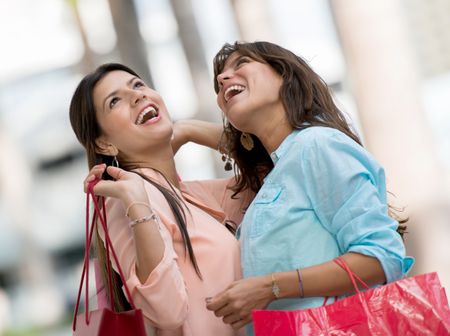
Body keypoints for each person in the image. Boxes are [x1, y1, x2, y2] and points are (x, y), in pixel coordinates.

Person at [202, 41, 414, 334]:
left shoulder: (317, 145)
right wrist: (185, 130)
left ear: (285, 76)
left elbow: (381, 256)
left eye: (241, 64)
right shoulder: (274, 178)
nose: (223, 79)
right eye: (219, 79)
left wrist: (270, 287)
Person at [69, 63, 253, 336]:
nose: (137, 95)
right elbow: (166, 313)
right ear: (103, 144)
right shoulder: (122, 201)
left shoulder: (190, 196)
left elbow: (270, 167)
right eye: (115, 101)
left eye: (138, 85)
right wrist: (136, 201)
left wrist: (189, 130)